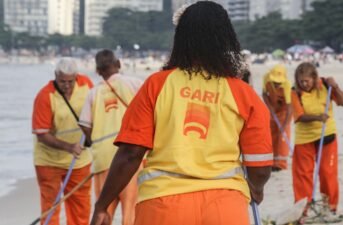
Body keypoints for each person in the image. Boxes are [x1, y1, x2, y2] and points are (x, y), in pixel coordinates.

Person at [90, 2, 273, 225]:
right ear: (227, 39)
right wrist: (256, 189)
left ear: (180, 38)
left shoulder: (157, 85)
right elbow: (260, 167)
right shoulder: (243, 93)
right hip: (225, 207)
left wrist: (102, 205)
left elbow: (130, 153)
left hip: (163, 207)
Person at [79, 49, 143, 225]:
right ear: (119, 64)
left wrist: (89, 140)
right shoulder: (135, 84)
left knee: (103, 210)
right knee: (130, 210)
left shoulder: (93, 93)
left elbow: (84, 125)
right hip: (130, 156)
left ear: (98, 71)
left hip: (102, 159)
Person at [32, 58, 93, 225]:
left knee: (80, 208)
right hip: (49, 161)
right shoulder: (45, 96)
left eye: (70, 81)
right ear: (55, 76)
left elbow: (95, 110)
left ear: (76, 77)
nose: (66, 85)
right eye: (62, 81)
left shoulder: (86, 84)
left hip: (79, 161)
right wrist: (69, 147)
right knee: (51, 207)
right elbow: (42, 134)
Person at [291, 62, 343, 219]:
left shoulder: (325, 85)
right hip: (304, 139)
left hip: (327, 136)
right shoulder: (295, 92)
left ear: (314, 78)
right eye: (300, 81)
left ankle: (330, 208)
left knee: (327, 173)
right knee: (303, 176)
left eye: (306, 81)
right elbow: (299, 117)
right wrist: (318, 117)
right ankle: (302, 210)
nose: (303, 84)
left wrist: (335, 86)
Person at [262, 64, 292, 171]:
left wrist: (285, 125)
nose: (277, 84)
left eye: (279, 83)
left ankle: (281, 164)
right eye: (275, 82)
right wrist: (269, 107)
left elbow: (289, 108)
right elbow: (264, 94)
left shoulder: (287, 85)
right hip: (272, 108)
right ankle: (272, 162)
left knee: (283, 136)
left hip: (284, 111)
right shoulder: (266, 78)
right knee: (272, 134)